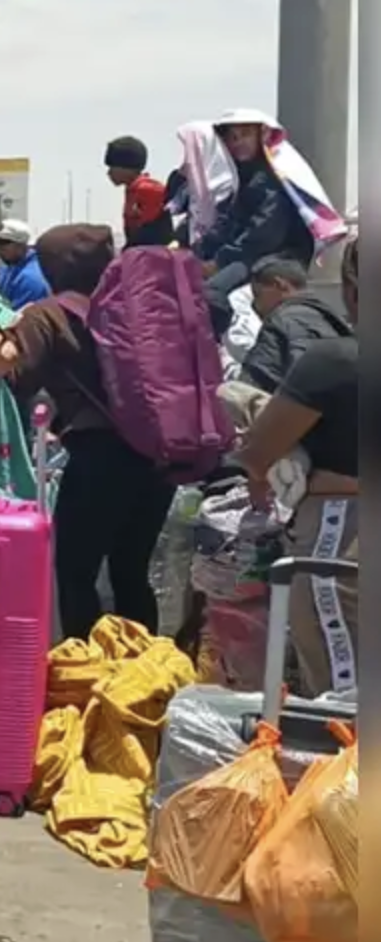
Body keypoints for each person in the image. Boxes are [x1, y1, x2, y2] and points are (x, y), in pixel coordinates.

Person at [3, 224, 174, 637]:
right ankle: (142, 665)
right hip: (159, 454)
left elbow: (18, 377)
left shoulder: (49, 314)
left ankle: (86, 661)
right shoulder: (138, 307)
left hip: (99, 457)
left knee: (76, 570)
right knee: (131, 570)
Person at [237, 234, 357, 698]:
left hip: (342, 540)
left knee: (342, 699)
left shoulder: (335, 361)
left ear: (352, 289)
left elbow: (258, 453)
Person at [193, 112, 318, 333]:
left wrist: (220, 260)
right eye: (233, 137)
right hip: (248, 255)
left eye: (245, 135)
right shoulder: (241, 177)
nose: (238, 142)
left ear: (262, 136)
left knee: (211, 294)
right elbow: (227, 222)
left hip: (275, 256)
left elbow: (265, 232)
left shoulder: (273, 177)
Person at [236, 256, 350, 393]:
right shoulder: (334, 321)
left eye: (257, 295)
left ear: (279, 284)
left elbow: (251, 387)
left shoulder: (282, 320)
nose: (255, 306)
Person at [104, 136, 173, 248]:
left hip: (154, 253)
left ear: (127, 167)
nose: (109, 173)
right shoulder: (132, 189)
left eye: (112, 167)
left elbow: (149, 232)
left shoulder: (148, 189)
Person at [0, 220, 50, 311]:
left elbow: (16, 317)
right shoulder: (8, 268)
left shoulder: (31, 278)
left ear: (21, 244)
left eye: (4, 242)